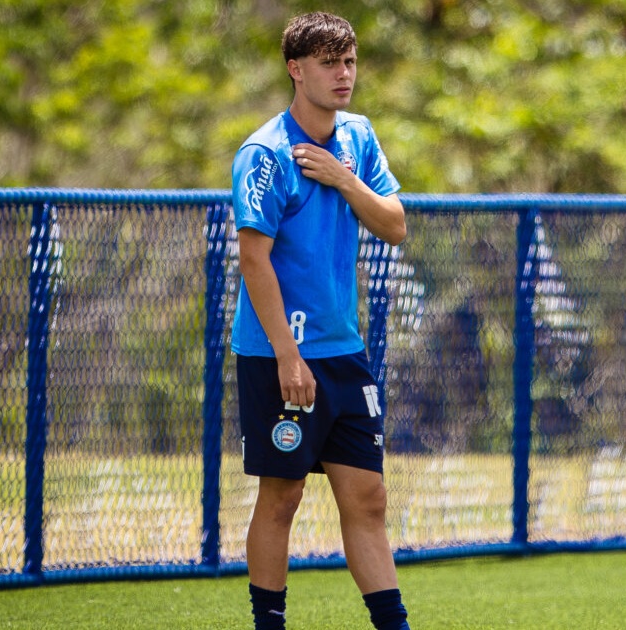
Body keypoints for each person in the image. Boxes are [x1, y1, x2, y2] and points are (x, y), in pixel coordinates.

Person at [230, 11, 411, 630]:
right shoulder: (263, 153)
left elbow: (394, 222)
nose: (343, 74)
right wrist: (287, 355)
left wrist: (342, 177)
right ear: (295, 69)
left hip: (343, 351)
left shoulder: (357, 138)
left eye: (350, 62)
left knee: (368, 496)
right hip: (278, 354)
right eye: (329, 63)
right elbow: (253, 258)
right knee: (282, 496)